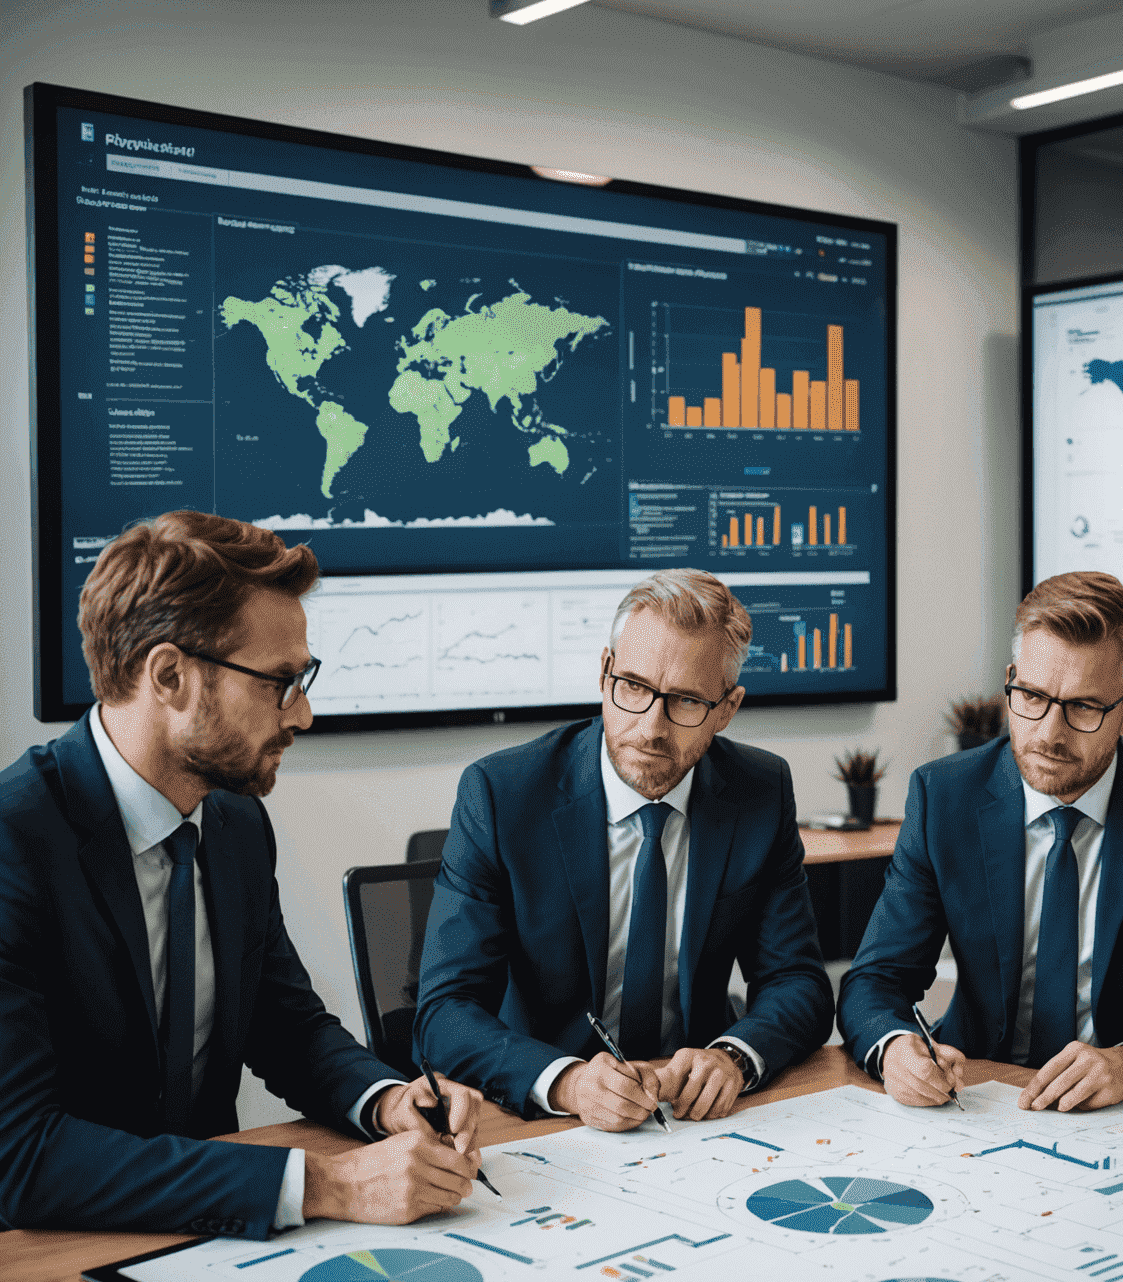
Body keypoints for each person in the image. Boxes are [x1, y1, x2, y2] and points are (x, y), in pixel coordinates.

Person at [0, 511, 484, 1237]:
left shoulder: (233, 822)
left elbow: (284, 1025)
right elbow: (22, 1158)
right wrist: (324, 1183)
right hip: (60, 1259)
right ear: (170, 676)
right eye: (281, 683)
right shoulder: (14, 841)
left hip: (212, 1237)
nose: (305, 713)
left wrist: (386, 1100)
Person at [838, 570, 1123, 1111]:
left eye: (1083, 708)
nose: (1048, 733)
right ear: (1011, 681)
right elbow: (877, 979)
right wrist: (896, 1049)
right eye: (1031, 695)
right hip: (978, 1095)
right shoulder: (944, 797)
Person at [415, 569, 834, 1131]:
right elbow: (444, 1013)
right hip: (545, 1116)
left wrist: (733, 1056)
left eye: (685, 701)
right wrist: (567, 1081)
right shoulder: (503, 795)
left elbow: (799, 983)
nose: (651, 727)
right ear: (605, 672)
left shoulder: (759, 791)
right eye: (633, 687)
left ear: (727, 709)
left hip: (692, 1116)